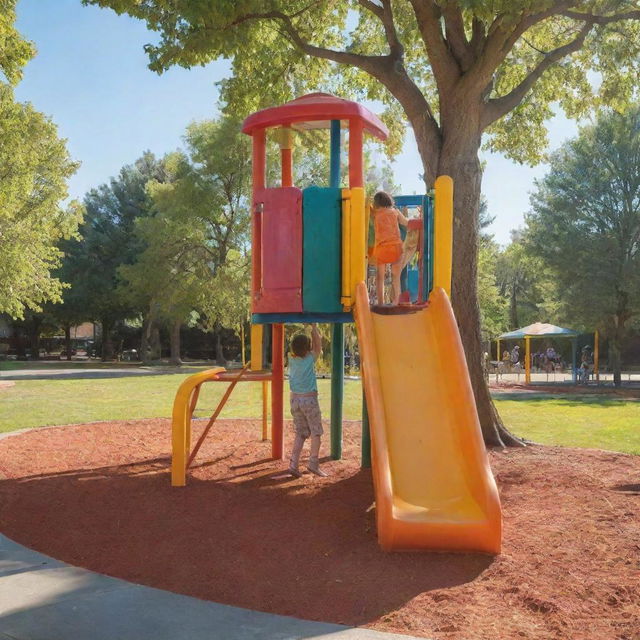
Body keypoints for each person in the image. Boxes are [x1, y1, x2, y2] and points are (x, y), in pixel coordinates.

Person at [286, 324, 328, 478]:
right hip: (309, 400)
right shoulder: (310, 358)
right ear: (308, 348)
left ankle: (293, 464)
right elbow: (318, 345)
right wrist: (314, 328)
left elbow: (302, 346)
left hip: (294, 400)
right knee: (316, 432)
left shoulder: (291, 359)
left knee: (301, 433)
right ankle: (313, 463)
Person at [371, 191, 409, 305]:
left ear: (376, 203)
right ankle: (397, 301)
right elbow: (406, 222)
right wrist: (419, 221)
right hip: (396, 247)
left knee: (380, 277)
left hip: (382, 248)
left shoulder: (375, 213)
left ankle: (381, 303)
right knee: (396, 276)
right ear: (389, 200)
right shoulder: (395, 212)